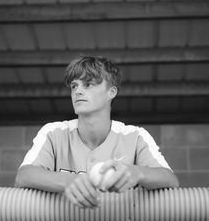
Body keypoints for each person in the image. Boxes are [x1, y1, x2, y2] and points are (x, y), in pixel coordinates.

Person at [15, 55, 179, 208]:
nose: (78, 91)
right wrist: (67, 181)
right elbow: (24, 176)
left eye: (88, 84)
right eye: (74, 86)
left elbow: (170, 180)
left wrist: (137, 172)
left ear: (111, 92)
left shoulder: (135, 136)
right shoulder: (53, 132)